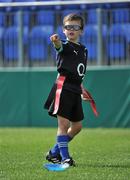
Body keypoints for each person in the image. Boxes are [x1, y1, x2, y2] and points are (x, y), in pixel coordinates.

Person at [44, 13, 88, 167]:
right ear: (64, 30)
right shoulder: (64, 45)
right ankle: (65, 158)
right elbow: (59, 47)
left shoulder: (84, 50)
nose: (71, 29)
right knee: (63, 125)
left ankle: (53, 152)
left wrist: (82, 90)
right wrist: (55, 41)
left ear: (81, 31)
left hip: (75, 89)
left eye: (75, 27)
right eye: (68, 27)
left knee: (77, 127)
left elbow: (79, 72)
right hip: (63, 88)